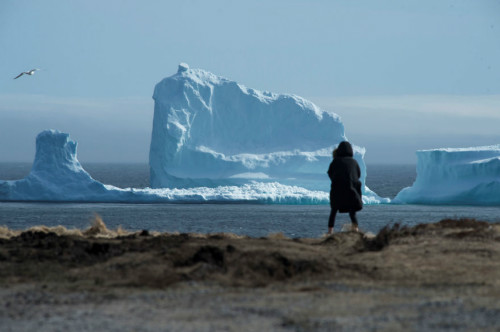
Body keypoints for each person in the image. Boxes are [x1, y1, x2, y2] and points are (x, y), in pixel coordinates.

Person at [327, 141, 363, 234]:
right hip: (351, 191)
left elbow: (330, 173)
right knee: (352, 212)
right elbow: (358, 175)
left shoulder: (335, 161)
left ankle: (330, 231)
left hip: (337, 192)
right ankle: (356, 230)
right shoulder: (354, 162)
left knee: (333, 211)